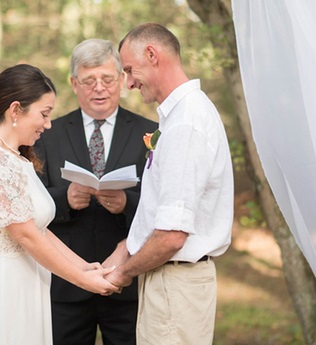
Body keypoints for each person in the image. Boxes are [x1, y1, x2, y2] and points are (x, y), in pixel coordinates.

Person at [0, 64, 119, 345]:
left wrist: (86, 268)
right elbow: (25, 235)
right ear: (16, 110)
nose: (48, 124)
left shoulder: (17, 160)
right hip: (6, 287)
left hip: (29, 282)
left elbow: (40, 230)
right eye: (44, 114)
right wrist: (83, 282)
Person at [103, 23, 234, 345]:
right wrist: (126, 247)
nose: (129, 82)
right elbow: (161, 213)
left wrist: (122, 273)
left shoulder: (185, 124)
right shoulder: (180, 116)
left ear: (152, 54)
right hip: (169, 279)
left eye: (130, 70)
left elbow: (173, 235)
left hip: (175, 283)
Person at [35, 39, 158, 345]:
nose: (99, 88)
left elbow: (163, 201)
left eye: (107, 79)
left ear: (121, 80)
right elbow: (28, 203)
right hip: (65, 285)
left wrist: (126, 203)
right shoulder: (46, 134)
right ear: (74, 83)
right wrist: (65, 199)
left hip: (129, 281)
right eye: (89, 81)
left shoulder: (152, 131)